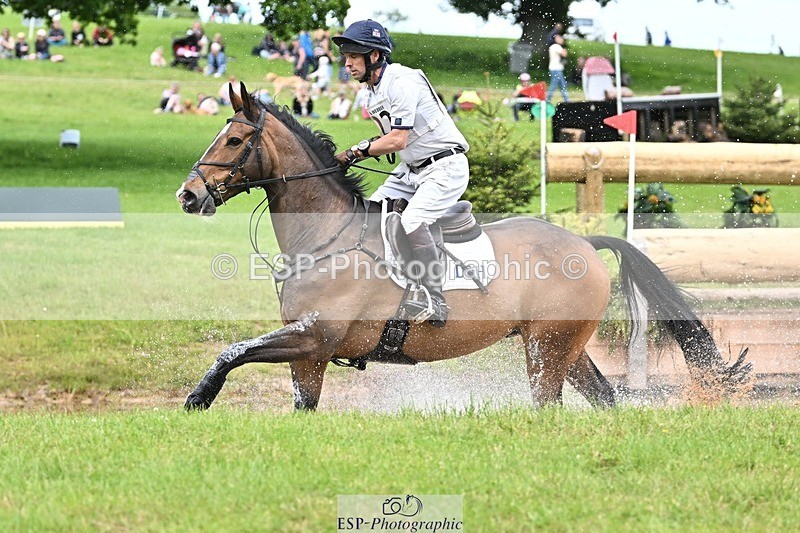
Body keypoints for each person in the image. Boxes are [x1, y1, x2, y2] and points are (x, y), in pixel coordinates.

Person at [332, 19, 470, 327]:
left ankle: (435, 298)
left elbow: (398, 139)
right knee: (369, 214)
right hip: (411, 170)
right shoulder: (371, 91)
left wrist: (356, 152)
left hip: (445, 167)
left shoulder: (402, 81)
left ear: (375, 57)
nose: (347, 63)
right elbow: (393, 145)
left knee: (411, 221)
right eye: (346, 56)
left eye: (354, 56)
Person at [546, 34, 569, 103]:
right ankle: (547, 100)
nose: (561, 39)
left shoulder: (553, 46)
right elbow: (564, 54)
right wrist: (564, 47)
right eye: (559, 38)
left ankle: (567, 100)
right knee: (554, 85)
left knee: (562, 85)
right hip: (556, 69)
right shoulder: (557, 46)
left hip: (555, 69)